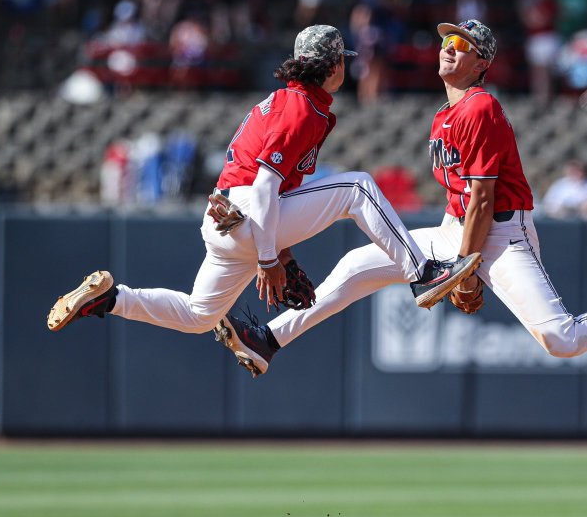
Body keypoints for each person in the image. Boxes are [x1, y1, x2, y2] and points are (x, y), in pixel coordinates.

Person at [222, 19, 587, 377]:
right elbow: (465, 204)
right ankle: (268, 339)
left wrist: (465, 273)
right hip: (456, 231)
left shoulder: (481, 106)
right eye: (447, 43)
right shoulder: (444, 115)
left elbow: (484, 202)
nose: (450, 49)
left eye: (463, 46)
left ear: (481, 64)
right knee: (355, 267)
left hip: (502, 235)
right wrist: (458, 263)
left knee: (560, 339)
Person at [47, 25, 481, 377]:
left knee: (199, 314)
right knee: (358, 188)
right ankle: (421, 272)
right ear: (331, 66)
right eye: (341, 60)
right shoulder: (299, 108)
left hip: (226, 223)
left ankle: (110, 300)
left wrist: (279, 254)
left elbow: (276, 192)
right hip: (247, 213)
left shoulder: (287, 101)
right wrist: (270, 259)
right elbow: (264, 187)